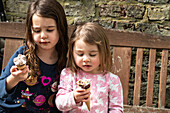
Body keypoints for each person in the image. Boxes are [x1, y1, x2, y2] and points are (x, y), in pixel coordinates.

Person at [0, 0, 68, 112]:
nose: (43, 36)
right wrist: (14, 78)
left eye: (49, 30)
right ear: (30, 31)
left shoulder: (65, 62)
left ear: (60, 29)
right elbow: (1, 89)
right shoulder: (23, 55)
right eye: (37, 30)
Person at [55, 22, 123, 113]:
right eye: (80, 54)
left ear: (103, 53)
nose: (86, 59)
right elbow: (60, 104)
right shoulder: (69, 74)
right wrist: (73, 97)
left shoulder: (111, 80)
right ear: (72, 53)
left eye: (92, 54)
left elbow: (116, 109)